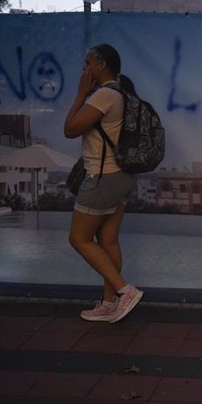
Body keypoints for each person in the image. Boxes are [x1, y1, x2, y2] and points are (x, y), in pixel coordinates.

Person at [63, 44, 143, 323]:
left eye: (87, 64)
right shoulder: (122, 93)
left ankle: (125, 291)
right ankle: (109, 304)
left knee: (79, 239)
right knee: (107, 240)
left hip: (102, 177)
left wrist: (80, 95)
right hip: (121, 176)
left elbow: (70, 129)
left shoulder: (105, 95)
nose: (84, 70)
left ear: (101, 64)